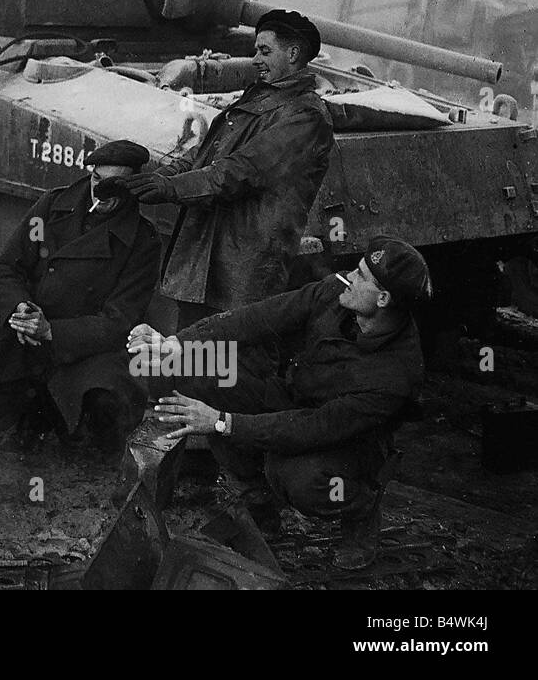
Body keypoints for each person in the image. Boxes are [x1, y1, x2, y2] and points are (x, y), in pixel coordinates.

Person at [129, 236, 430, 570]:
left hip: (344, 444)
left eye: (361, 276)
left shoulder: (394, 377)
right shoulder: (338, 291)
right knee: (199, 372)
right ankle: (259, 495)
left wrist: (221, 421)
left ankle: (361, 510)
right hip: (292, 397)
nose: (349, 276)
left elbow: (314, 427)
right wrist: (178, 343)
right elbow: (261, 317)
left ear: (384, 298)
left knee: (299, 478)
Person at [0, 141, 162, 453]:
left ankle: (71, 431)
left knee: (105, 399)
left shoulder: (142, 240)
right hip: (29, 334)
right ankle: (27, 418)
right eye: (97, 181)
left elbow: (119, 321)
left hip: (87, 349)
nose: (102, 193)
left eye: (114, 186)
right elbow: (7, 267)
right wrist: (19, 309)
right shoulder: (51, 208)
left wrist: (52, 332)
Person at [123, 9, 335, 329]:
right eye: (255, 51)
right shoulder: (262, 97)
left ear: (293, 54)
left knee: (238, 361)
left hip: (248, 266)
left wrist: (170, 188)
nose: (255, 59)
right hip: (214, 255)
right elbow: (207, 153)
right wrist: (162, 175)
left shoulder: (304, 115)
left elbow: (241, 171)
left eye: (264, 51)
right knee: (196, 357)